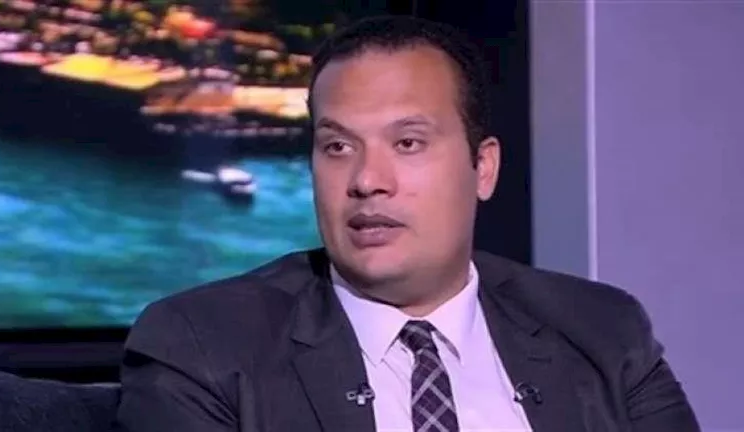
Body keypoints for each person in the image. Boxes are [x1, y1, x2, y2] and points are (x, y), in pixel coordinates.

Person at [115, 15, 700, 432]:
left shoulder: (604, 331)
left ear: (483, 168)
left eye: (408, 143)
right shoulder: (201, 348)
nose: (367, 180)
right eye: (338, 147)